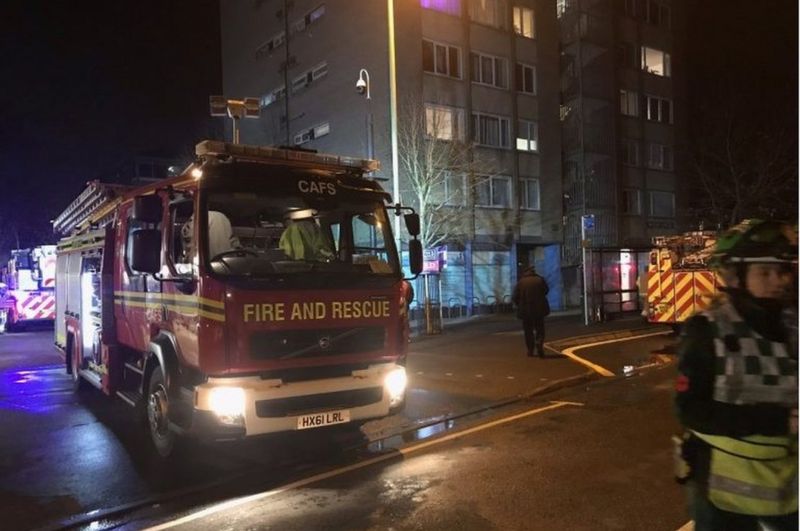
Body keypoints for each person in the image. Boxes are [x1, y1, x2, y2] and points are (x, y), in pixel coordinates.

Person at [674, 219, 798, 531]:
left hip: (789, 491)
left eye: (783, 271)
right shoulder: (707, 330)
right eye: (765, 272)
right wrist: (780, 422)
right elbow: (690, 410)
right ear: (736, 276)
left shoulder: (793, 326)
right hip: (722, 498)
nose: (779, 281)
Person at [512, 265, 550, 357]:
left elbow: (515, 297)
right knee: (540, 328)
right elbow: (546, 291)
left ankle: (530, 349)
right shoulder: (540, 280)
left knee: (528, 330)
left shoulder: (521, 282)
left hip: (525, 310)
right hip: (539, 309)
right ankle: (539, 343)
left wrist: (519, 304)